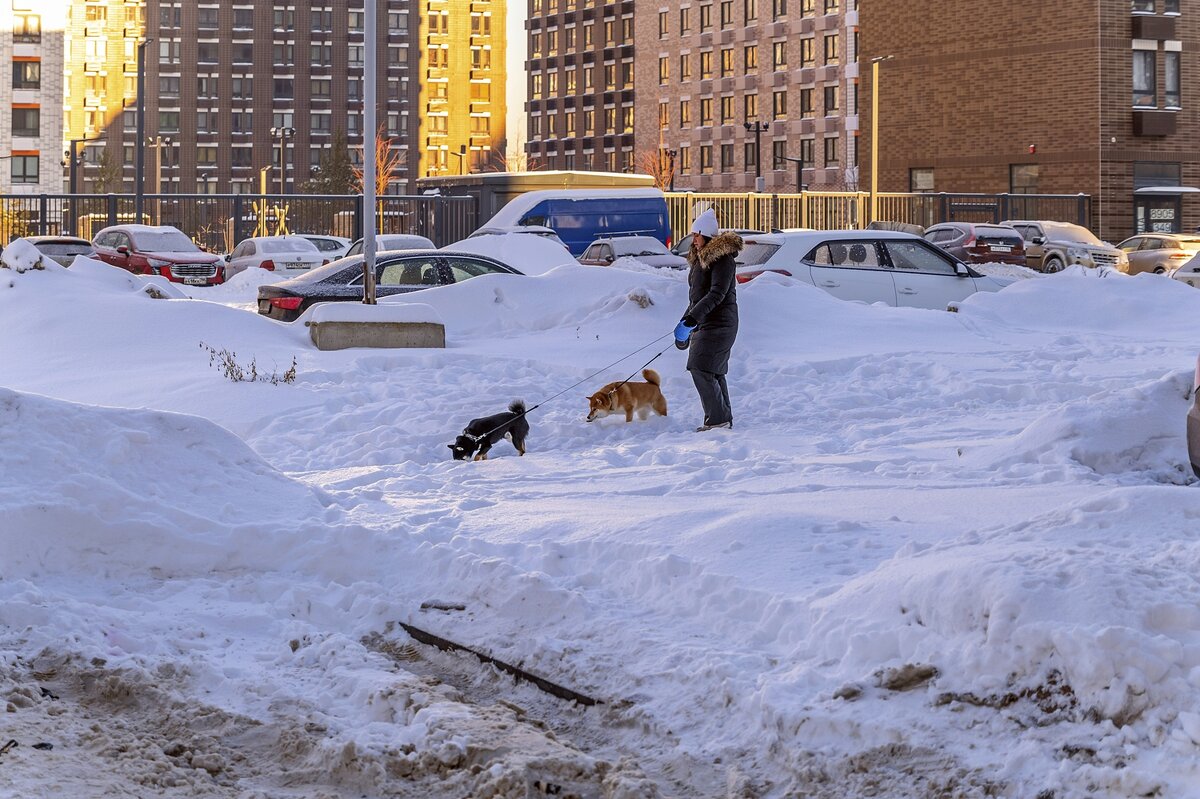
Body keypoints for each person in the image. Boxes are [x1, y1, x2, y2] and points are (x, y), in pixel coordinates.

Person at [673, 208, 743, 432]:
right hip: (706, 321)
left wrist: (692, 319)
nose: (693, 240)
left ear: (708, 235)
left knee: (700, 367)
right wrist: (685, 322)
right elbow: (696, 298)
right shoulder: (699, 261)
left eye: (696, 235)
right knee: (713, 370)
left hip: (721, 323)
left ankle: (717, 419)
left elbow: (717, 294)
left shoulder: (722, 260)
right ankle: (722, 418)